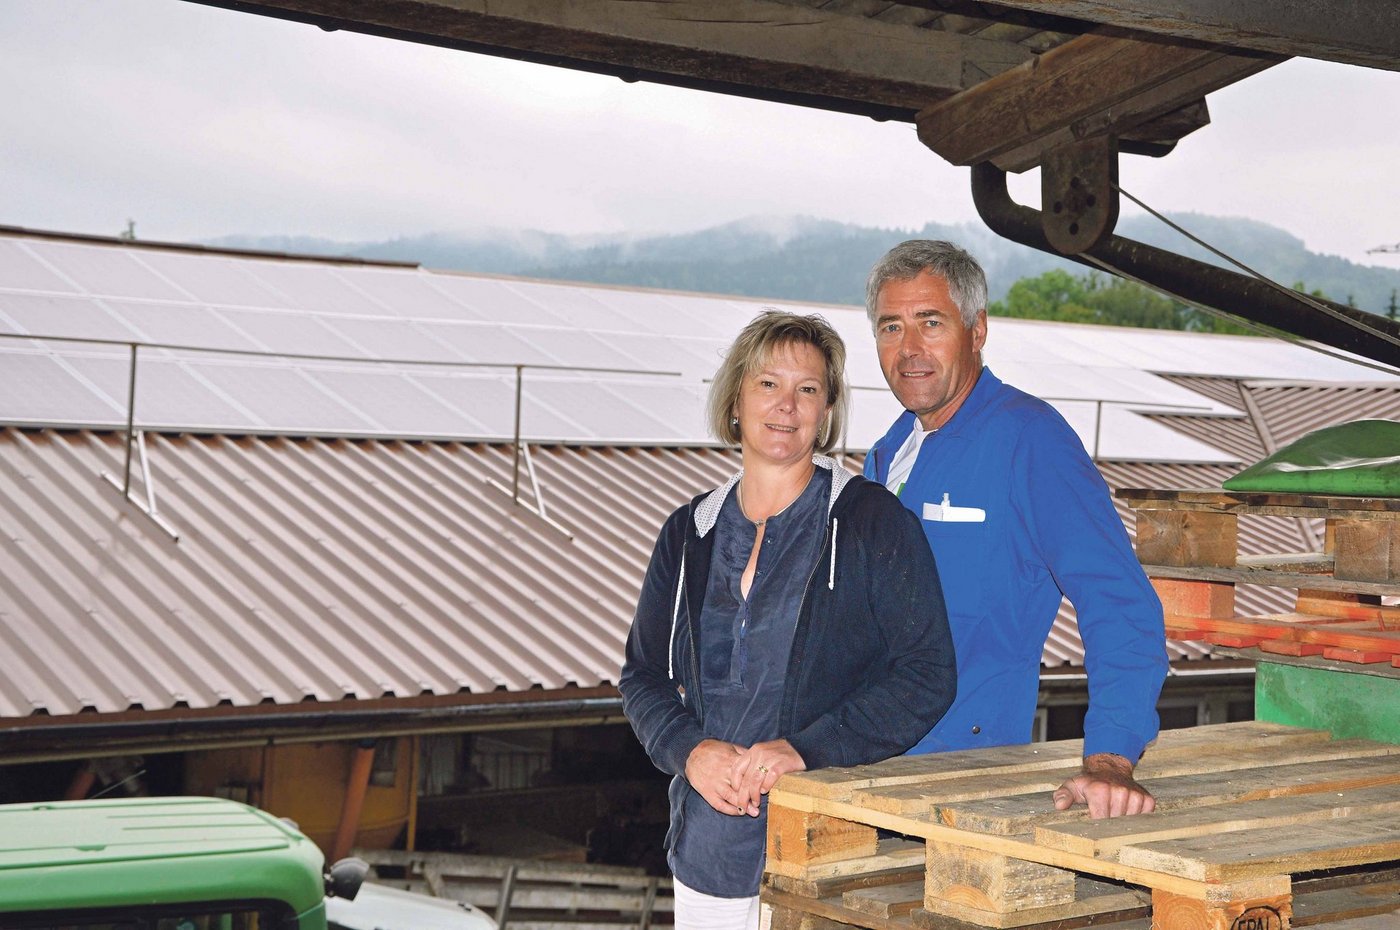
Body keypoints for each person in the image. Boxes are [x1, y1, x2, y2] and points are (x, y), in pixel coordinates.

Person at [619, 311, 957, 930]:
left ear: (826, 411)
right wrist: (691, 751)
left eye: (807, 389)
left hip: (827, 852)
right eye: (768, 384)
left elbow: (928, 675)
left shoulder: (871, 522)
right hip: (709, 854)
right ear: (737, 400)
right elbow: (642, 676)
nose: (787, 405)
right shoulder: (688, 533)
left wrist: (806, 748)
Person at [862, 240, 1167, 819]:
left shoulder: (1031, 441)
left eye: (931, 323)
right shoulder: (889, 450)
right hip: (869, 770)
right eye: (891, 327)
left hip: (962, 781)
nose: (910, 349)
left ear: (977, 330)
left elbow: (1119, 601)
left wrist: (1110, 756)